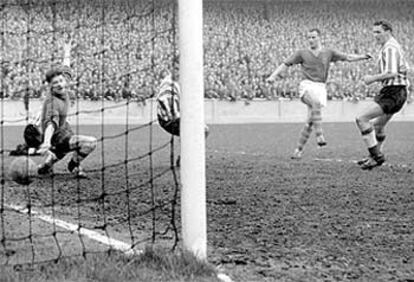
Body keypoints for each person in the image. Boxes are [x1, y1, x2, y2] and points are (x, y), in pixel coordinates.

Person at [266, 28, 372, 159]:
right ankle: (320, 135)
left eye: (313, 37)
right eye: (309, 37)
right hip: (307, 86)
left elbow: (347, 57)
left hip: (320, 88)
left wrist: (362, 57)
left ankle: (298, 150)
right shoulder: (302, 53)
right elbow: (285, 64)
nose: (311, 40)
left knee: (310, 121)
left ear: (319, 38)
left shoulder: (328, 52)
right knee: (314, 103)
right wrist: (273, 76)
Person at [35, 37, 97, 178]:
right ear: (50, 86)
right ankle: (73, 165)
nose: (60, 84)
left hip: (63, 129)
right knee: (90, 143)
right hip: (54, 136)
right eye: (55, 83)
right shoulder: (53, 102)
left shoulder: (63, 86)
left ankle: (46, 165)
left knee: (65, 138)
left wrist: (67, 50)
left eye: (61, 81)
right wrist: (46, 142)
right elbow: (51, 123)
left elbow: (66, 67)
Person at [355, 20, 410, 170]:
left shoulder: (390, 48)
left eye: (378, 32)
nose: (375, 35)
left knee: (361, 118)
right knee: (378, 126)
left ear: (388, 31)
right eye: (374, 32)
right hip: (398, 92)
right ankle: (374, 156)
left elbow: (392, 72)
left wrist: (371, 79)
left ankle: (377, 157)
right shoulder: (391, 46)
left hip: (393, 92)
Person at [156, 69, 209, 167]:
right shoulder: (168, 85)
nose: (178, 72)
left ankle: (185, 156)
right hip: (168, 120)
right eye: (176, 69)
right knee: (200, 130)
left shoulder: (180, 83)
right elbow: (165, 103)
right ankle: (186, 157)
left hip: (176, 117)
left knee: (202, 130)